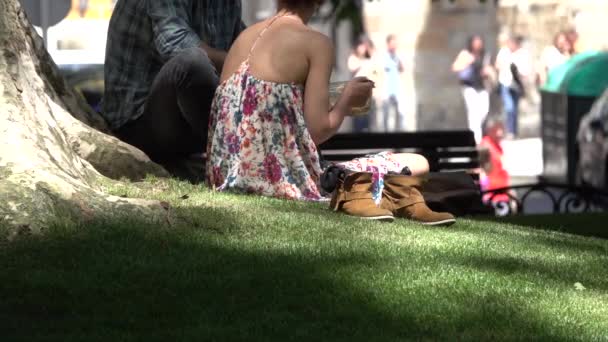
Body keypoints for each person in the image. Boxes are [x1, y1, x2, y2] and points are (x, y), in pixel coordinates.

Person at [206, 0, 454, 225]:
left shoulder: (243, 38)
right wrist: (346, 101)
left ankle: (379, 195)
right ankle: (378, 196)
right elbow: (318, 129)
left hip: (225, 176)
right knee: (418, 163)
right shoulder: (316, 43)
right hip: (277, 181)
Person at [102, 0, 245, 179]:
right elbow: (176, 43)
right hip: (137, 122)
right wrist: (245, 62)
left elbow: (242, 44)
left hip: (187, 119)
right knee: (192, 63)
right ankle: (235, 161)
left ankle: (248, 154)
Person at [451, 35, 492, 144]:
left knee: (484, 110)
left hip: (482, 86)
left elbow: (488, 68)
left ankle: (477, 134)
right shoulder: (465, 54)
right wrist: (467, 62)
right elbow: (455, 67)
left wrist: (487, 71)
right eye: (476, 42)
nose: (478, 44)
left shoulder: (484, 55)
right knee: (473, 113)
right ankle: (476, 139)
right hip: (469, 87)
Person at [495, 35, 531, 139]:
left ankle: (514, 131)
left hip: (516, 84)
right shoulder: (504, 52)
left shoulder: (522, 54)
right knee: (509, 107)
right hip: (505, 83)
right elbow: (497, 65)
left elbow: (526, 70)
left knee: (515, 109)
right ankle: (510, 131)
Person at [479, 118, 512, 209]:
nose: (500, 133)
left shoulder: (497, 146)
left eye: (501, 129)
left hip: (502, 193)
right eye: (496, 130)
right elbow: (481, 172)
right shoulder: (485, 146)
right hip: (493, 196)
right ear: (489, 131)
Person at [347, 37, 377, 132]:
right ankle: (358, 131)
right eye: (362, 47)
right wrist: (363, 62)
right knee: (358, 113)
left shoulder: (368, 60)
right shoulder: (353, 58)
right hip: (357, 90)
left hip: (367, 90)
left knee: (367, 114)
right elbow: (352, 67)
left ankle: (366, 130)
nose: (363, 49)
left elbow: (375, 71)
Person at [382, 34, 405, 132]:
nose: (394, 46)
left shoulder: (397, 56)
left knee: (399, 114)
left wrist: (400, 61)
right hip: (387, 89)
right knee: (386, 115)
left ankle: (399, 136)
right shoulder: (383, 56)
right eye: (392, 44)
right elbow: (378, 71)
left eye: (395, 44)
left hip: (397, 89)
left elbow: (402, 69)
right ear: (388, 44)